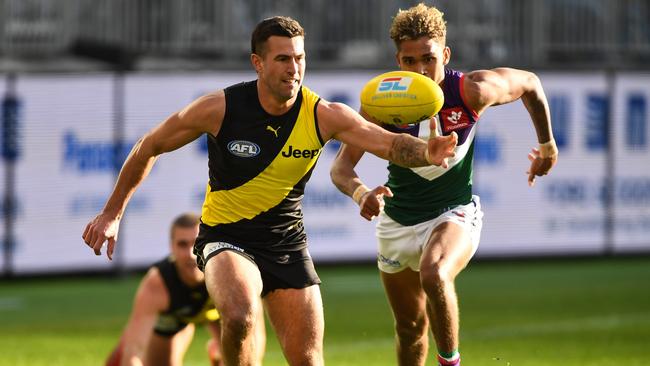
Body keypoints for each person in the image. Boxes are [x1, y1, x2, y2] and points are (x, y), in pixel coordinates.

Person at [82, 16, 458, 366]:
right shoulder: (220, 108)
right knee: (241, 315)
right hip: (226, 237)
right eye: (282, 59)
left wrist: (427, 151)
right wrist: (112, 214)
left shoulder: (323, 114)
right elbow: (149, 146)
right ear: (258, 63)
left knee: (309, 360)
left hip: (286, 243)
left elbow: (389, 144)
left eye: (299, 58)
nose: (293, 68)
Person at [330, 4, 558, 366]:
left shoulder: (472, 91)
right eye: (408, 61)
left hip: (452, 212)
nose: (419, 70)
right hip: (396, 223)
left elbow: (530, 82)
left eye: (428, 59)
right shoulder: (380, 104)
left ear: (446, 55)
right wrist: (361, 193)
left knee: (435, 272)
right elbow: (341, 169)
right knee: (409, 328)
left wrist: (547, 144)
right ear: (397, 60)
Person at [105, 213, 266, 366]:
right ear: (171, 247)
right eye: (182, 244)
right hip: (174, 318)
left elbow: (255, 342)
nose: (190, 254)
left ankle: (218, 353)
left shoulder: (230, 274)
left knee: (243, 358)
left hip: (219, 315)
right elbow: (134, 352)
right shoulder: (157, 284)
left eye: (196, 243)